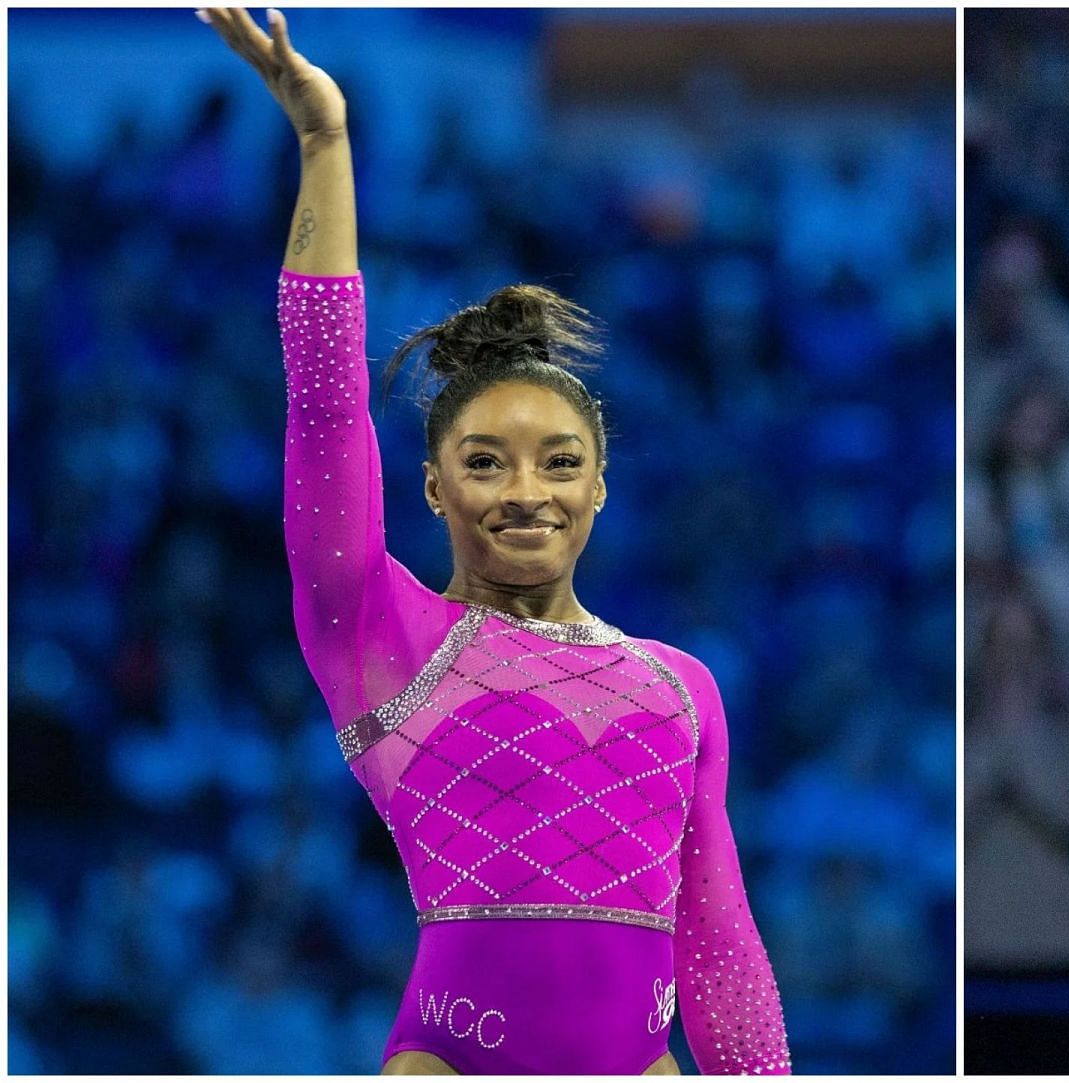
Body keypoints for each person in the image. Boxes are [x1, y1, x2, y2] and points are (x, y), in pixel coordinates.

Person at [202, 9, 791, 1074]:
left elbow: (721, 954)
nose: (527, 492)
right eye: (485, 462)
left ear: (601, 487)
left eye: (560, 461)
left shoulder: (680, 687)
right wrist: (326, 145)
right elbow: (327, 406)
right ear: (431, 488)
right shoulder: (385, 638)